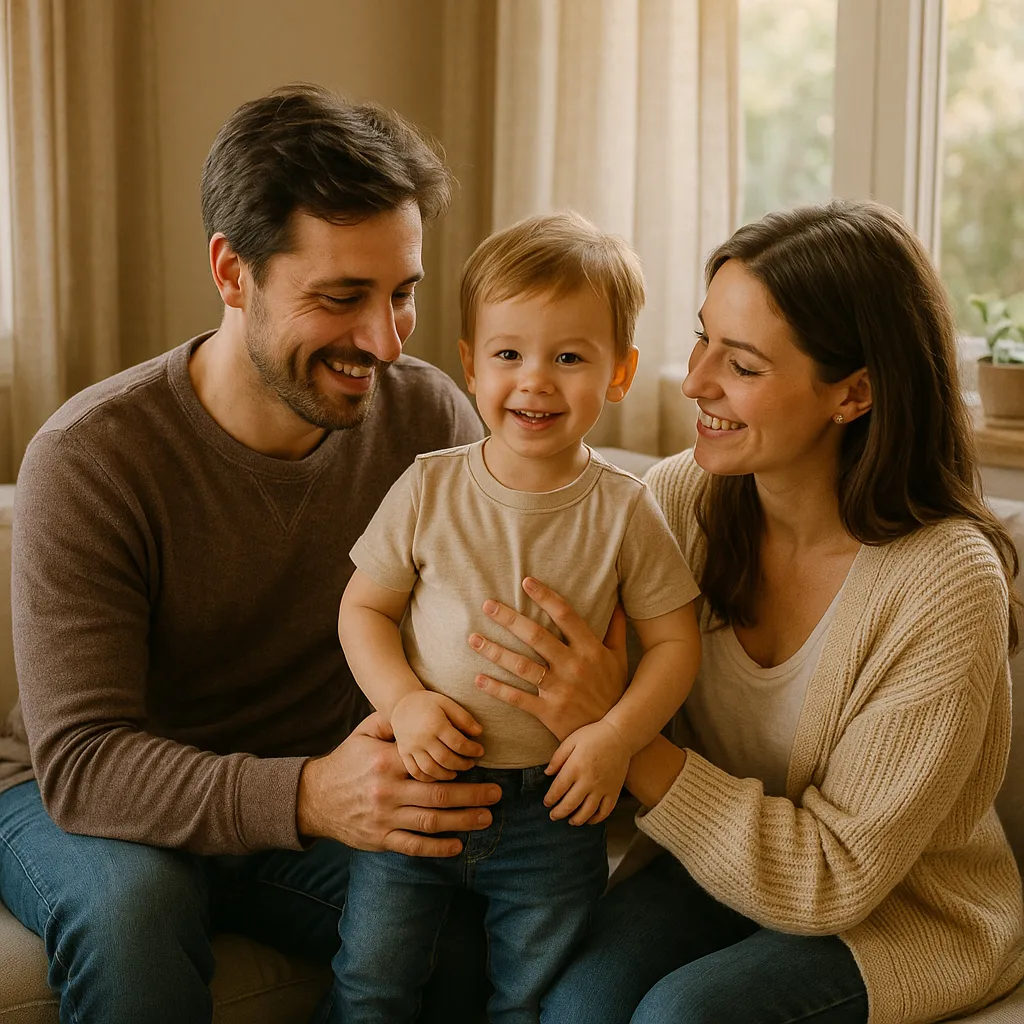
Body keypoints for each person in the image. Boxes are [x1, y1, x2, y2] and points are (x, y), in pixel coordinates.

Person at [0, 83, 515, 1024]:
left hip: (310, 793)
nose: (384, 340)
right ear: (232, 272)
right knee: (132, 913)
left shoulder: (427, 415)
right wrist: (312, 795)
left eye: (402, 294)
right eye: (340, 298)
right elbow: (83, 761)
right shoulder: (91, 458)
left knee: (458, 937)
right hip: (80, 797)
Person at [465, 199, 1024, 1023]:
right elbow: (555, 688)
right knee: (571, 1002)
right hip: (709, 870)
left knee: (681, 1017)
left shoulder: (945, 583)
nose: (695, 382)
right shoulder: (679, 500)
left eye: (744, 365)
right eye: (702, 338)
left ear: (854, 393)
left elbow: (834, 879)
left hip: (893, 915)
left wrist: (625, 739)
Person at [323, 211, 702, 1023]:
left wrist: (616, 736)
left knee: (527, 1000)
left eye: (569, 357)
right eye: (509, 354)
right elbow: (364, 609)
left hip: (553, 811)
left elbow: (675, 644)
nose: (535, 380)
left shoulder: (627, 511)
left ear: (621, 372)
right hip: (419, 784)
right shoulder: (428, 486)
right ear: (470, 365)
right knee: (372, 985)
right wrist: (404, 701)